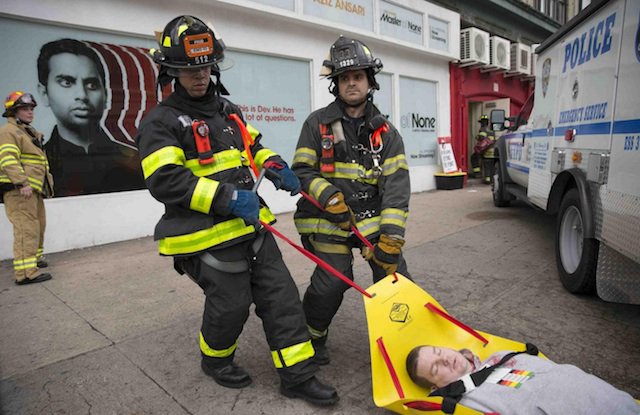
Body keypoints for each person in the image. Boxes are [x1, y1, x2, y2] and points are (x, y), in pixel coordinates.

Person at [135, 15, 338, 406]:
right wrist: (227, 199)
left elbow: (252, 145)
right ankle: (215, 360)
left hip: (252, 228)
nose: (200, 75)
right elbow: (165, 180)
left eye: (206, 66)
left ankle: (297, 375)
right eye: (189, 69)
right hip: (204, 236)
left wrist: (272, 162)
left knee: (282, 299)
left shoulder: (228, 110)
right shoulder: (160, 122)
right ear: (172, 70)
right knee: (231, 306)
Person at [292, 36, 411, 365]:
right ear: (336, 84)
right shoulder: (316, 124)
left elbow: (396, 186)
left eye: (358, 76)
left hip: (370, 221)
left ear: (370, 81)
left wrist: (391, 238)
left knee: (394, 276)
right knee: (333, 280)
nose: (351, 83)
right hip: (326, 219)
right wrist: (329, 197)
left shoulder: (387, 134)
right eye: (344, 78)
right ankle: (312, 337)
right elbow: (301, 171)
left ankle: (404, 341)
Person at [37, 38, 144, 196]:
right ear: (44, 93)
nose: (82, 95)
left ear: (105, 95)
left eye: (92, 85)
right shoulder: (38, 165)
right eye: (66, 82)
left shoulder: (134, 161)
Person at [406, 345, 640, 414]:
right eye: (436, 368)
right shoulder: (467, 403)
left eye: (439, 352)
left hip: (612, 399)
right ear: (437, 387)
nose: (445, 359)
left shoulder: (499, 356)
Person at [0, 91, 54, 285]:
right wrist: (22, 182)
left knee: (38, 225)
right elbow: (8, 160)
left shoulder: (25, 132)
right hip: (20, 191)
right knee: (26, 229)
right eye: (25, 109)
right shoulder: (9, 132)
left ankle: (34, 260)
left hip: (33, 189)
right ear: (13, 112)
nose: (30, 112)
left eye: (31, 108)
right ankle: (25, 273)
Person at [470, 115, 496, 183]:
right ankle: (490, 179)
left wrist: (477, 137)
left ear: (482, 122)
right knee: (491, 166)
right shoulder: (491, 130)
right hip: (493, 151)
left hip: (485, 150)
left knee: (473, 158)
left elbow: (482, 138)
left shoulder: (483, 129)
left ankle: (477, 174)